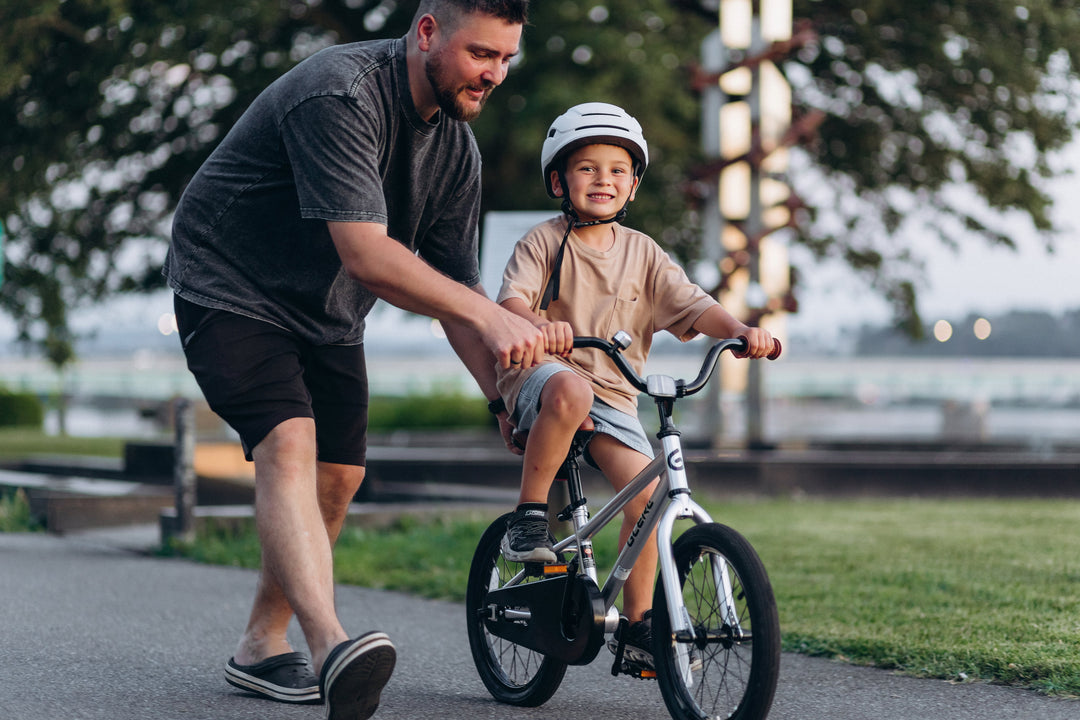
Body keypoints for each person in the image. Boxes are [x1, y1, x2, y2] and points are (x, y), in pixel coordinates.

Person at [163, 2, 540, 718]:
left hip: (326, 312)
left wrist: (503, 398)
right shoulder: (341, 92)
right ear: (427, 31)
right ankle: (331, 646)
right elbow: (367, 255)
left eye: (505, 60)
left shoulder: (457, 151)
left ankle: (258, 647)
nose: (493, 75)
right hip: (230, 283)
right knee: (289, 443)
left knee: (338, 477)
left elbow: (459, 294)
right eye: (480, 54)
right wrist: (491, 317)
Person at [491, 102, 776, 672]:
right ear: (559, 180)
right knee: (569, 392)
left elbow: (694, 305)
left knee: (648, 500)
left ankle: (640, 626)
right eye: (588, 168)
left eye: (618, 170)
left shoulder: (643, 252)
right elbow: (512, 302)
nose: (604, 180)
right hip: (541, 379)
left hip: (616, 393)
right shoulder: (544, 243)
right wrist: (538, 325)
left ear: (634, 184)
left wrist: (741, 331)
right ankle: (528, 519)